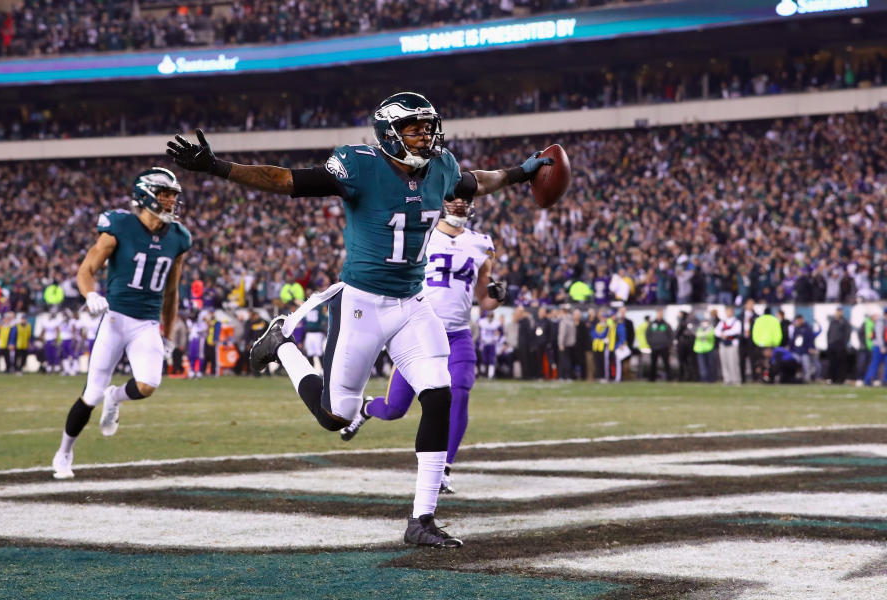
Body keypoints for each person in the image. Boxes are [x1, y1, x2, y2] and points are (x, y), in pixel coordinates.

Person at [166, 91, 552, 548]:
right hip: (362, 304)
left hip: (412, 304)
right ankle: (283, 346)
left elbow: (477, 182)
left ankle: (421, 520)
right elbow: (287, 179)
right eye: (415, 128)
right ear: (390, 133)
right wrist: (218, 167)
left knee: (439, 394)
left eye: (429, 126)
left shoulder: (441, 167)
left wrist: (521, 173)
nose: (426, 135)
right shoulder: (360, 165)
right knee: (335, 417)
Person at [337, 197, 506, 495]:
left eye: (464, 200)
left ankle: (443, 469)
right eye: (453, 199)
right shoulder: (423, 234)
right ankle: (366, 408)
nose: (458, 205)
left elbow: (485, 299)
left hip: (458, 335)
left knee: (459, 394)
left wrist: (497, 295)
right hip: (420, 334)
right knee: (393, 409)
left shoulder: (481, 243)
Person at [51, 168, 191, 479]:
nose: (171, 200)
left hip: (147, 323)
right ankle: (64, 452)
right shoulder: (119, 226)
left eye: (173, 195)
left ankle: (116, 397)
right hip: (115, 318)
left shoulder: (179, 238)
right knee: (91, 394)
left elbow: (171, 293)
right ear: (146, 194)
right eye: (164, 193)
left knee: (148, 384)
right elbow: (85, 270)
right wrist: (90, 296)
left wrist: (167, 334)